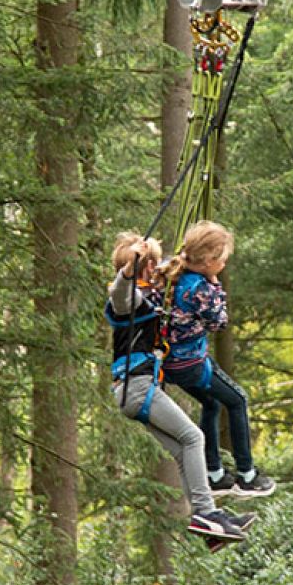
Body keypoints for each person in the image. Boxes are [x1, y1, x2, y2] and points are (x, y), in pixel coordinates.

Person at [105, 232, 251, 542]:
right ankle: (206, 514)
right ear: (142, 268)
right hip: (138, 388)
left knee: (185, 450)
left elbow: (170, 273)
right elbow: (120, 291)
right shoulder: (128, 301)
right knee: (193, 437)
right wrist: (130, 265)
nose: (158, 268)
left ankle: (207, 523)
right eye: (153, 264)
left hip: (136, 390)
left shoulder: (148, 298)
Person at [159, 221, 276, 498]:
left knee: (210, 403)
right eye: (222, 260)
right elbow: (219, 323)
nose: (224, 265)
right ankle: (247, 474)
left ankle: (214, 473)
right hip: (192, 364)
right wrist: (215, 286)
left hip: (169, 362)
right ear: (209, 261)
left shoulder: (173, 274)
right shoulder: (201, 288)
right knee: (238, 400)